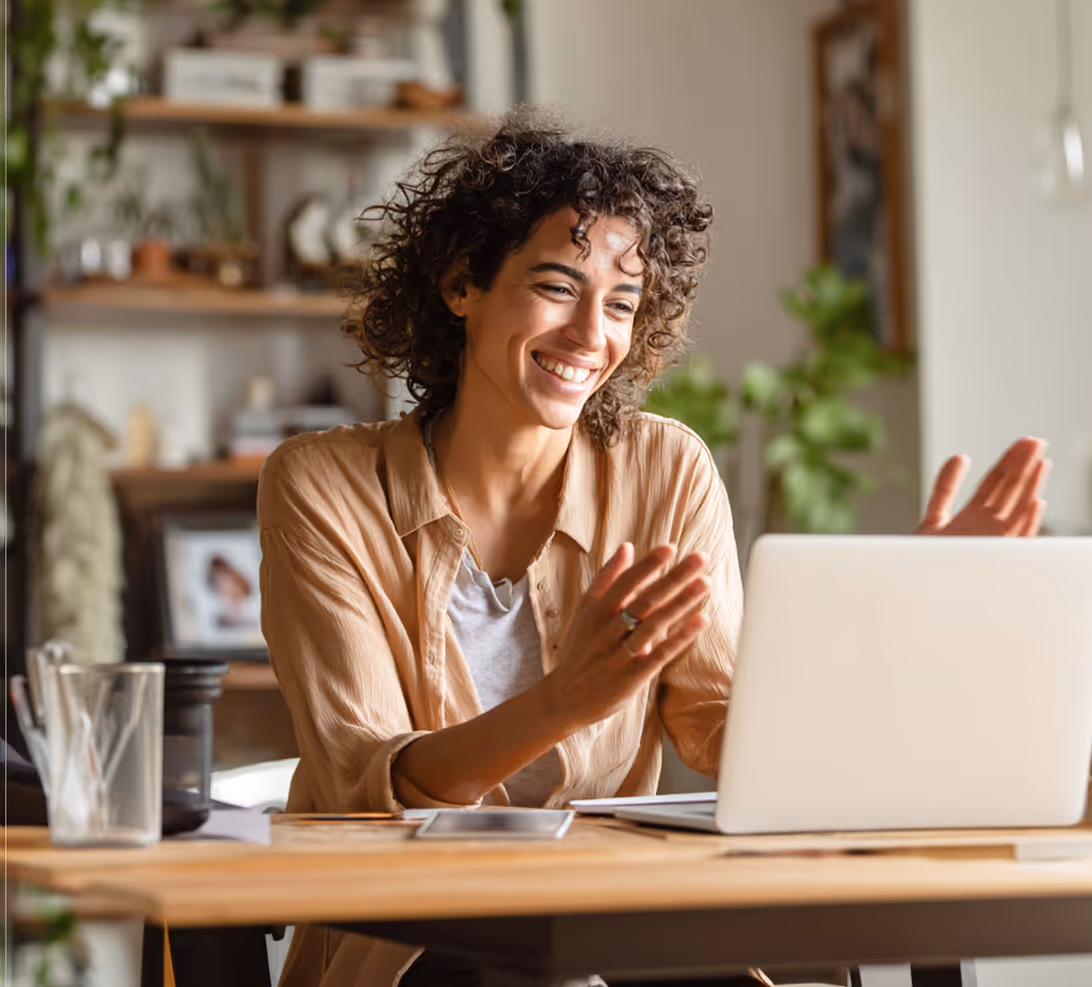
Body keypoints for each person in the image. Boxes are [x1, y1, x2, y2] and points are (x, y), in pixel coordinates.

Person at [258, 110, 1049, 987]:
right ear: (461, 286)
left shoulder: (665, 467)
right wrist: (562, 701)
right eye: (557, 286)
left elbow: (725, 734)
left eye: (623, 303)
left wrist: (915, 618)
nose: (592, 334)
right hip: (417, 943)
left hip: (617, 926)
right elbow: (367, 781)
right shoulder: (323, 484)